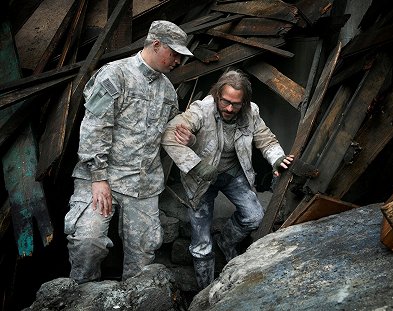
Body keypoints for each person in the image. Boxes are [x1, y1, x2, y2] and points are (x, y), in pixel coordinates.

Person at [64, 20, 193, 284]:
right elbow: (94, 127)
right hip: (102, 178)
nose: (178, 61)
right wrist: (99, 178)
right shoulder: (115, 74)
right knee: (88, 242)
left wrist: (184, 135)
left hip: (144, 183)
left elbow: (168, 129)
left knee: (143, 257)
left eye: (181, 56)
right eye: (175, 54)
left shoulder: (167, 88)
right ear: (156, 44)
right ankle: (80, 297)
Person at [161, 69, 294, 289]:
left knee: (254, 217)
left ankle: (225, 241)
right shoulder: (201, 110)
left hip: (232, 175)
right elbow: (169, 134)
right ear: (217, 96)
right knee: (202, 244)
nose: (230, 108)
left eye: (236, 104)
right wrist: (197, 166)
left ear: (245, 102)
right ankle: (206, 292)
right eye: (225, 102)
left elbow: (266, 140)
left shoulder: (251, 112)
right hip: (201, 181)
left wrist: (277, 158)